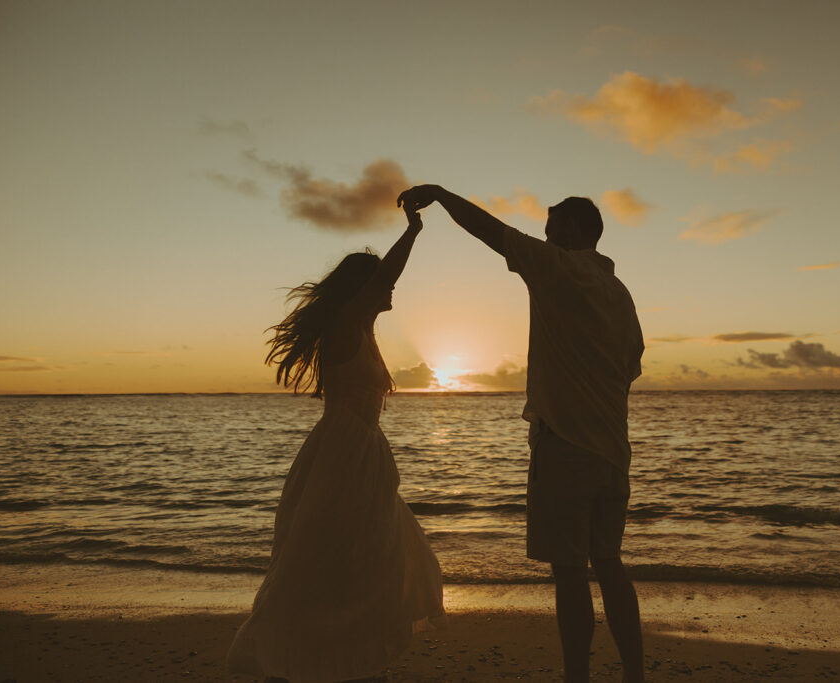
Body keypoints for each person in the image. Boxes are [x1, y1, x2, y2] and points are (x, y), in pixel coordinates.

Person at [397, 185, 645, 682]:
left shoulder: (555, 267)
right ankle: (634, 674)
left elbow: (492, 232)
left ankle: (578, 676)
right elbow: (632, 366)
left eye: (552, 229)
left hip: (566, 447)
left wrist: (442, 196)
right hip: (614, 453)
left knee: (571, 572)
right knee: (610, 564)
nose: (546, 238)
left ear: (572, 230)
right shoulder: (619, 293)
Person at [227, 208, 444, 683]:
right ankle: (317, 663)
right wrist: (414, 229)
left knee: (372, 560)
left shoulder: (361, 330)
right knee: (339, 562)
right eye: (380, 282)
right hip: (344, 456)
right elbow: (385, 275)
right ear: (361, 289)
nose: (390, 288)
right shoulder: (347, 324)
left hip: (360, 454)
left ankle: (355, 663)